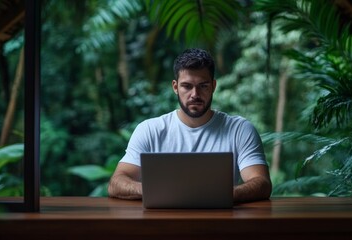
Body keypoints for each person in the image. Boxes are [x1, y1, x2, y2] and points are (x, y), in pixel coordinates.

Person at [108, 48, 272, 203]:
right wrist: (155, 191)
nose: (195, 94)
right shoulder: (149, 130)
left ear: (213, 86)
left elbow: (262, 183)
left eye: (203, 86)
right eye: (187, 86)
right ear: (175, 87)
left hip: (220, 225)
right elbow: (116, 183)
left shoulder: (239, 130)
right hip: (161, 226)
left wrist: (220, 195)